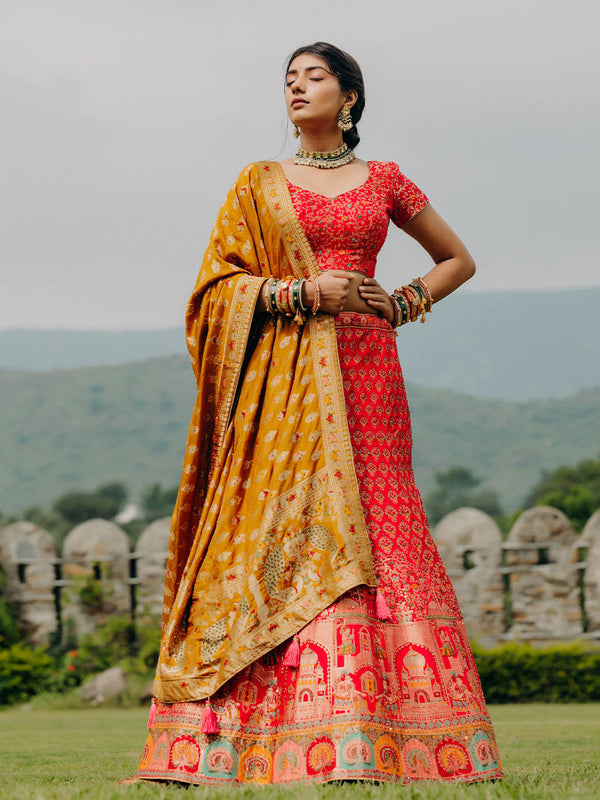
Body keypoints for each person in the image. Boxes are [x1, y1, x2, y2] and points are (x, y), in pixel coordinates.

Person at [131, 41, 503, 785]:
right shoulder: (258, 184)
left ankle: (402, 735)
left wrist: (401, 303)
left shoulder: (386, 179)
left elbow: (457, 258)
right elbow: (213, 293)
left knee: (384, 521)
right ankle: (243, 733)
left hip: (370, 375)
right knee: (289, 525)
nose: (298, 89)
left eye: (315, 77)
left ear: (350, 97)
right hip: (286, 388)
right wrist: (302, 294)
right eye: (289, 81)